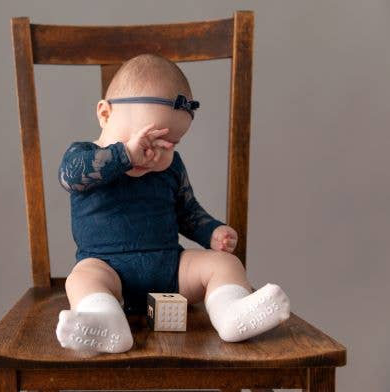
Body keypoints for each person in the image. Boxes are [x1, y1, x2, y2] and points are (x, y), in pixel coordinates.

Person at [55, 54, 290, 354]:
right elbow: (70, 177)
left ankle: (231, 313)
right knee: (80, 279)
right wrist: (124, 154)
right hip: (107, 271)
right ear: (105, 114)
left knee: (224, 264)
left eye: (167, 145)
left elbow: (187, 211)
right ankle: (106, 321)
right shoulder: (84, 157)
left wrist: (212, 231)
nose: (151, 155)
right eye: (145, 141)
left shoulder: (171, 168)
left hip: (170, 270)